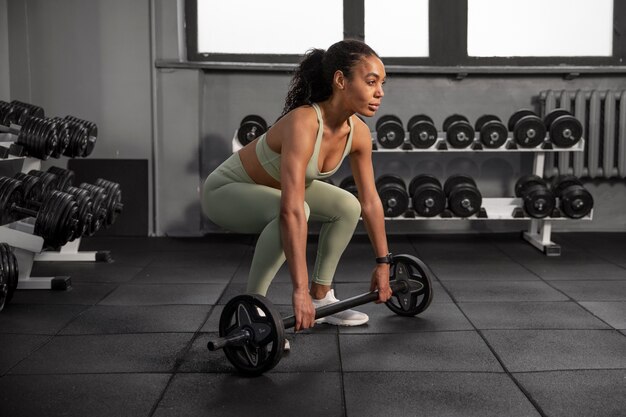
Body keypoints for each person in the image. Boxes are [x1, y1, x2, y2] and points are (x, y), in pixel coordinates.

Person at [201, 39, 392, 333]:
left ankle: (321, 298)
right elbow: (291, 209)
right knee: (296, 210)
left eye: (382, 82)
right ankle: (253, 309)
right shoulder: (303, 122)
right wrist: (297, 291)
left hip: (277, 191)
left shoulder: (359, 134)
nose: (380, 92)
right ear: (340, 80)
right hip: (226, 191)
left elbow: (370, 201)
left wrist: (383, 264)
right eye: (371, 81)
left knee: (347, 206)